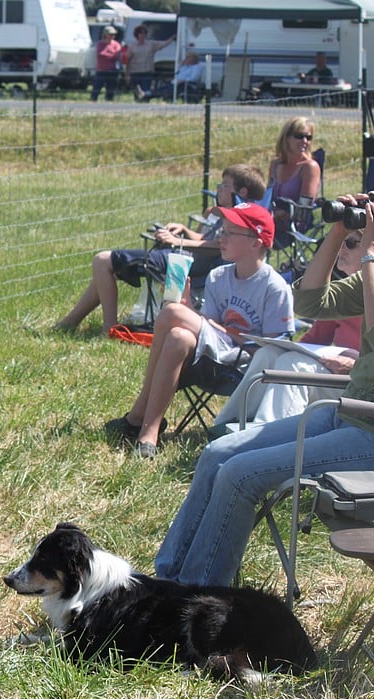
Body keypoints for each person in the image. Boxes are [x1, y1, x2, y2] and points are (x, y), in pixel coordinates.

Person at [154, 172, 374, 588]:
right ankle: (168, 579)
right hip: (356, 418)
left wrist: (370, 255)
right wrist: (339, 230)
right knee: (218, 452)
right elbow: (311, 301)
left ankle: (197, 594)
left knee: (241, 474)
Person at [104, 202, 294, 459]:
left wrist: (196, 319)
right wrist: (191, 309)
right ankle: (149, 433)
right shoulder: (218, 277)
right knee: (178, 337)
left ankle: (138, 412)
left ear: (256, 242)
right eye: (222, 231)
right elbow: (209, 329)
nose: (220, 238)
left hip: (242, 367)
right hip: (211, 356)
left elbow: (273, 348)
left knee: (172, 313)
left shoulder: (274, 287)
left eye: (229, 233)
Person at [55, 164, 267, 334]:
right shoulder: (227, 213)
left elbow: (215, 247)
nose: (219, 188)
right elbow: (206, 239)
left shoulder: (239, 219)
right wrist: (183, 231)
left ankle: (108, 328)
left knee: (102, 261)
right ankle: (71, 322)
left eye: (225, 185)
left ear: (242, 191)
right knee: (105, 267)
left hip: (184, 263)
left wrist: (177, 243)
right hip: (184, 255)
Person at [210, 230, 365, 432]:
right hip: (337, 374)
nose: (341, 248)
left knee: (293, 365)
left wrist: (355, 366)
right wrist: (284, 347)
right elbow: (315, 339)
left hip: (362, 385)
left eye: (351, 243)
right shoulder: (344, 292)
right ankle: (225, 427)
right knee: (270, 354)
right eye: (340, 241)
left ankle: (261, 439)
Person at [268, 117, 322, 245]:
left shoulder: (309, 167)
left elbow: (304, 206)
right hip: (271, 219)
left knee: (247, 233)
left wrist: (275, 216)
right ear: (286, 138)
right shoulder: (276, 164)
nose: (305, 141)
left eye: (308, 138)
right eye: (299, 136)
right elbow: (267, 196)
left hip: (295, 223)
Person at [124, 25, 174, 102]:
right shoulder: (132, 46)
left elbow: (163, 44)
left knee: (146, 91)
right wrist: (127, 74)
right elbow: (128, 61)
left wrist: (172, 38)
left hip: (147, 72)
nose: (143, 35)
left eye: (144, 33)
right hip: (135, 72)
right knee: (136, 92)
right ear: (137, 34)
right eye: (141, 33)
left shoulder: (151, 44)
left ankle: (145, 104)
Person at [91, 26, 123, 102]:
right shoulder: (100, 44)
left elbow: (117, 55)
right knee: (96, 88)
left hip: (112, 71)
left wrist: (108, 55)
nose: (113, 36)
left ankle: (109, 102)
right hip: (101, 70)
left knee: (111, 89)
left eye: (114, 34)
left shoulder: (116, 44)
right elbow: (100, 53)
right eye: (111, 34)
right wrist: (111, 55)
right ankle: (93, 101)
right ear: (105, 34)